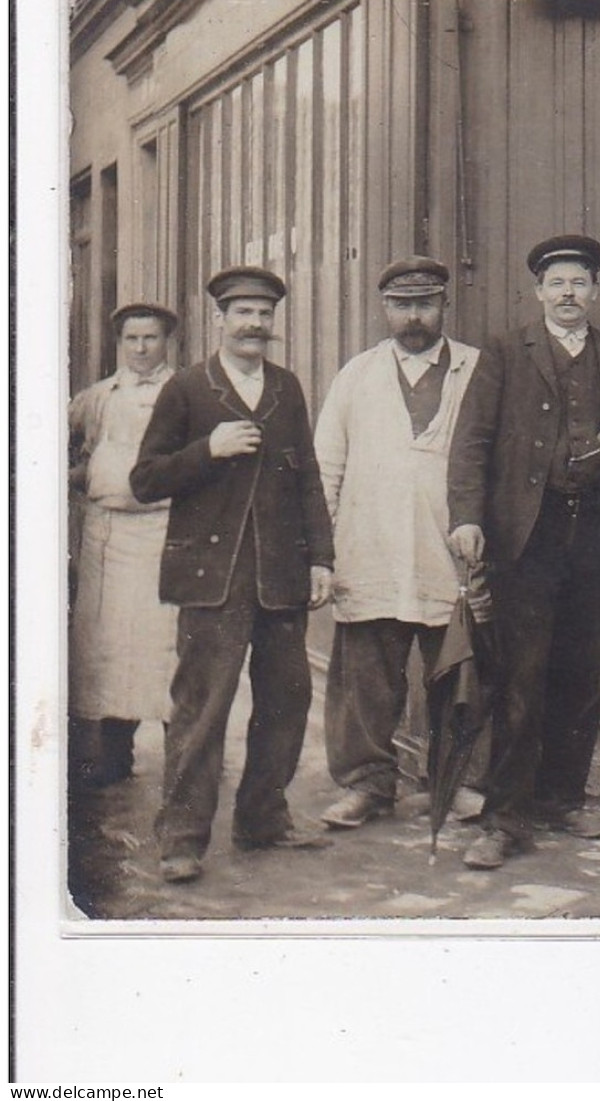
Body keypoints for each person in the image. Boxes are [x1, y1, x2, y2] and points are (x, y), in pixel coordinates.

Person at [130, 267, 334, 884]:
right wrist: (208, 451)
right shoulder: (189, 389)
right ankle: (182, 840)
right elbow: (145, 479)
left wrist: (321, 557)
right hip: (211, 577)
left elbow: (308, 478)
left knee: (286, 701)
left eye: (264, 314)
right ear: (219, 319)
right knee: (202, 708)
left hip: (279, 577)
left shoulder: (287, 389)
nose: (254, 325)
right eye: (243, 313)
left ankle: (263, 819)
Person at [447, 235, 600, 869]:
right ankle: (505, 818)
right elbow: (471, 442)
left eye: (578, 283)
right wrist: (467, 519)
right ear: (537, 292)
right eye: (555, 283)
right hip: (527, 537)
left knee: (583, 675)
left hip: (595, 536)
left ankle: (564, 799)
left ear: (595, 293)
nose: (567, 294)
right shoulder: (505, 352)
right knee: (519, 679)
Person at [313, 256, 481, 830]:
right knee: (365, 680)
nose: (414, 317)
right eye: (402, 305)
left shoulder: (475, 370)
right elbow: (326, 466)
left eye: (425, 303)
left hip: (449, 549)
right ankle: (366, 785)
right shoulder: (356, 376)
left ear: (443, 306)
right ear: (385, 308)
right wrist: (322, 549)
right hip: (372, 546)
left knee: (457, 673)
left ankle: (454, 785)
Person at [66, 303, 182, 791]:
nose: (140, 348)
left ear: (166, 342)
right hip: (107, 534)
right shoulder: (97, 397)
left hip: (164, 529)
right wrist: (80, 476)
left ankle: (184, 757)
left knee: (166, 645)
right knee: (108, 644)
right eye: (131, 339)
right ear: (120, 343)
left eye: (150, 338)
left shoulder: (184, 392)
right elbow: (65, 446)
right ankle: (114, 755)